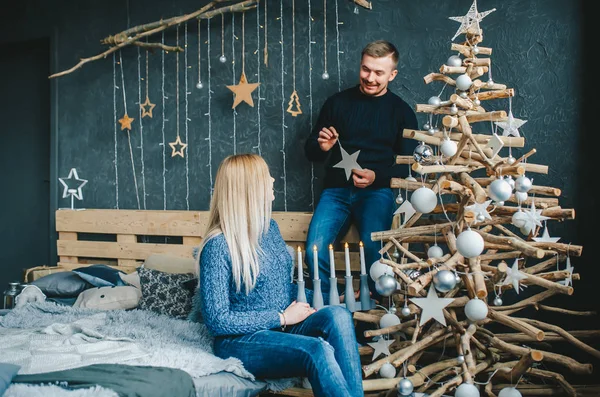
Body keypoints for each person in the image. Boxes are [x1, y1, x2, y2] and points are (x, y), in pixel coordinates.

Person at [189, 153, 363, 397]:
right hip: (240, 341)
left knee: (338, 314)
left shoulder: (269, 228)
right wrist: (281, 317)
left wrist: (334, 297)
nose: (272, 179)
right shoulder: (217, 246)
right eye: (265, 176)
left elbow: (282, 289)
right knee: (316, 350)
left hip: (281, 329)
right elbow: (218, 320)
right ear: (250, 188)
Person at [304, 40, 418, 303]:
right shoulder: (337, 103)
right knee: (314, 249)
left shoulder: (401, 112)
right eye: (366, 69)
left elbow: (409, 163)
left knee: (374, 252)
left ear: (393, 75)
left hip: (377, 193)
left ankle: (372, 303)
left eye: (379, 73)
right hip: (336, 192)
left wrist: (377, 176)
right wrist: (322, 146)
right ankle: (328, 302)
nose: (370, 78)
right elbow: (311, 152)